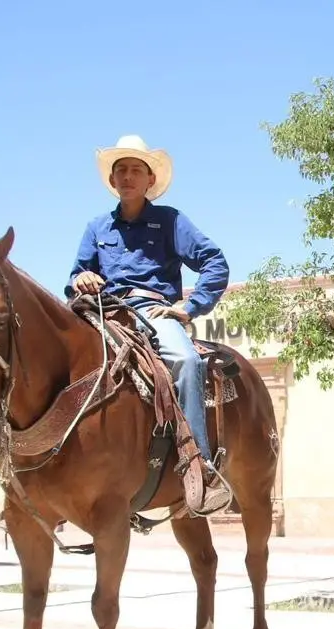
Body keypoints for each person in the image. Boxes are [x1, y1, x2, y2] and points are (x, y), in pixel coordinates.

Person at [67, 134, 232, 515]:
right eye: (120, 170)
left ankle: (198, 465)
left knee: (186, 361)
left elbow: (214, 262)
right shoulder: (96, 227)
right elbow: (77, 273)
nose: (127, 177)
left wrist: (189, 308)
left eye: (135, 170)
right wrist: (81, 280)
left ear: (149, 180)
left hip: (152, 310)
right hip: (103, 310)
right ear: (112, 181)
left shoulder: (170, 221)